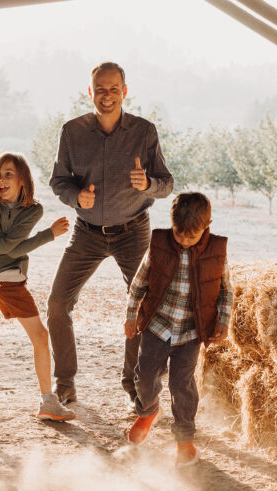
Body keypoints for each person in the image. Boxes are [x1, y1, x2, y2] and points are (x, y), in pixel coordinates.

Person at [47, 61, 174, 407]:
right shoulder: (72, 132)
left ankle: (135, 384)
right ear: (90, 92)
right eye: (100, 89)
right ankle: (65, 383)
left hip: (133, 231)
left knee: (145, 305)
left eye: (113, 89)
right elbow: (58, 180)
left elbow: (167, 183)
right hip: (86, 232)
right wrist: (76, 197)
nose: (106, 96)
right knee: (57, 304)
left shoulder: (144, 132)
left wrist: (147, 184)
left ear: (124, 92)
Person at [123, 192, 233, 468]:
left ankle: (185, 441)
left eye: (191, 236)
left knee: (181, 385)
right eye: (178, 234)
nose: (183, 240)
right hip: (157, 326)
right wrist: (130, 316)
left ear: (207, 226)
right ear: (171, 224)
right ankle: (148, 411)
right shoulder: (159, 244)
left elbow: (226, 291)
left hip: (191, 332)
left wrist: (223, 321)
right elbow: (138, 284)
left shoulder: (216, 252)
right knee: (144, 377)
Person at [0, 152, 75, 421]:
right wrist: (48, 235)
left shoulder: (33, 210)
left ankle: (48, 402)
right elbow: (4, 246)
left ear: (22, 179)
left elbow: (5, 245)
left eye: (8, 174)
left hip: (12, 280)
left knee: (40, 336)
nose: (1, 180)